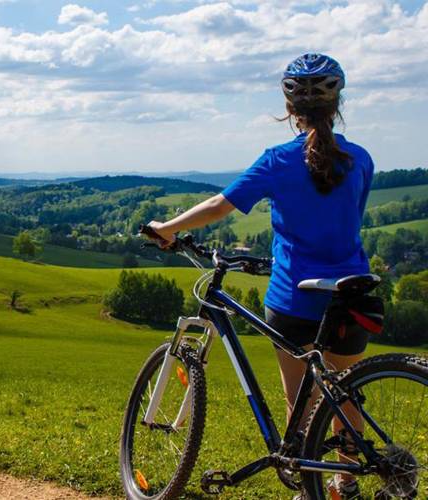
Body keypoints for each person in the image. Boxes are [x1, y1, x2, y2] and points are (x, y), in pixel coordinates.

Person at [145, 53, 374, 499]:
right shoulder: (361, 159)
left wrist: (167, 228)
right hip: (353, 293)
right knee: (344, 395)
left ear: (290, 108)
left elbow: (220, 205)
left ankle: (306, 485)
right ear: (338, 104)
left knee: (300, 401)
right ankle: (345, 482)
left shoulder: (277, 160)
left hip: (295, 297)